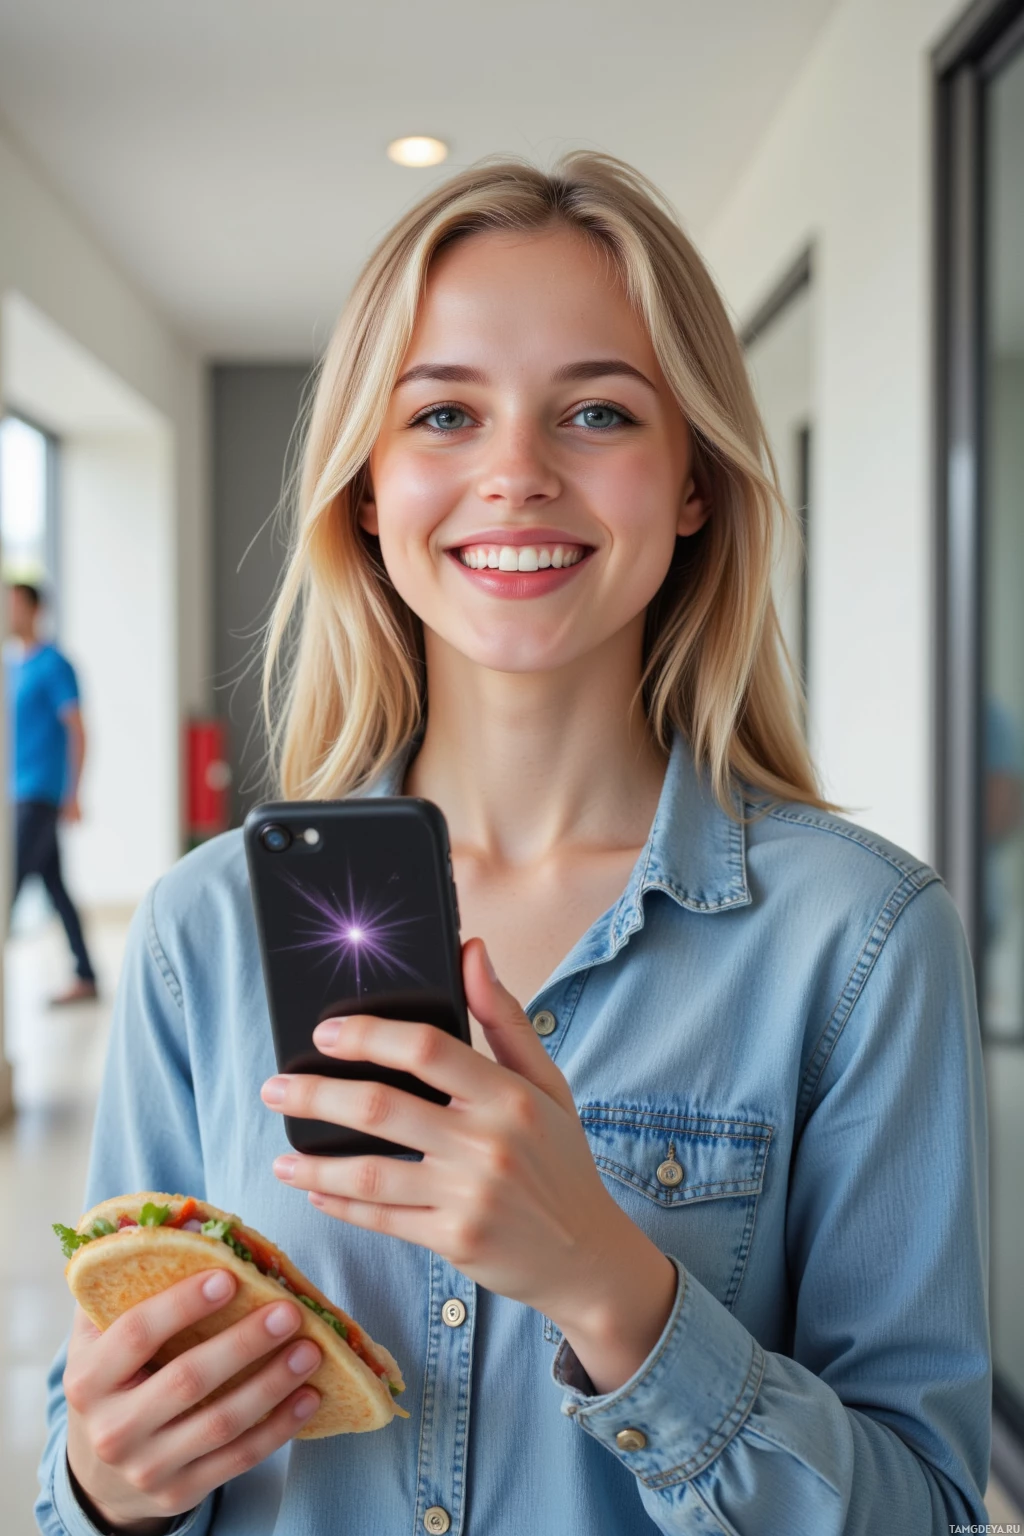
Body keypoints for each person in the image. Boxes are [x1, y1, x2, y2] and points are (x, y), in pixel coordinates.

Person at [37, 155, 989, 1535]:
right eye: (444, 414)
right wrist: (105, 1486)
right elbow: (96, 1454)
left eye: (597, 411)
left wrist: (611, 1284)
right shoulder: (205, 926)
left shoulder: (862, 944)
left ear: (694, 485)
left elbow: (931, 1513)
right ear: (370, 486)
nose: (517, 475)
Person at [6, 581, 97, 1004]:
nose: (6, 612)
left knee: (9, 882)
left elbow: (77, 731)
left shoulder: (53, 665)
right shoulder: (12, 668)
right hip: (15, 793)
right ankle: (86, 974)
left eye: (13, 605)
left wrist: (73, 793)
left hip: (40, 792)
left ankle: (85, 974)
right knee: (54, 886)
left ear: (34, 610)